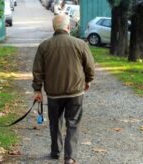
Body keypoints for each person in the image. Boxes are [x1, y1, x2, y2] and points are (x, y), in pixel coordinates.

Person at [32, 14, 95, 164]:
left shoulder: (44, 46)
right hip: (76, 92)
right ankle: (70, 157)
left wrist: (37, 90)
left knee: (55, 122)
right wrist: (88, 80)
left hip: (54, 94)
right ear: (68, 27)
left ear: (54, 28)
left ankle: (55, 152)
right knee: (73, 123)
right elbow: (90, 67)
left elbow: (38, 70)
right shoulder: (80, 44)